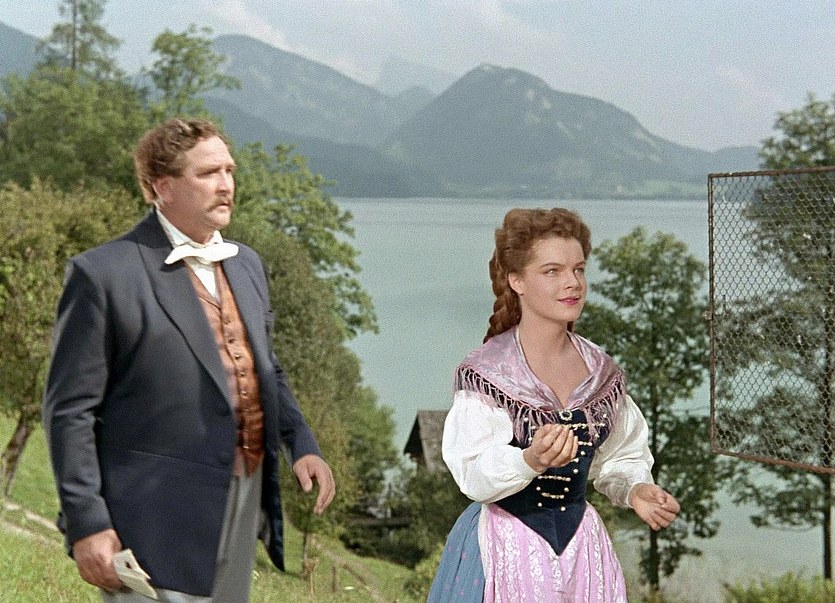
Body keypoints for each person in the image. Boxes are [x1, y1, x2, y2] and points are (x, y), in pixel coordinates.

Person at [42, 117, 335, 602]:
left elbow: (265, 368)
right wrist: (86, 522)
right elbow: (69, 411)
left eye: (229, 171)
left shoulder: (247, 264)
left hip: (244, 495)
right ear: (163, 187)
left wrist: (300, 442)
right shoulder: (103, 275)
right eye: (208, 173)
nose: (226, 185)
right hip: (151, 512)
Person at [428, 208, 680, 602]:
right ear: (517, 281)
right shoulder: (488, 372)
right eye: (552, 271)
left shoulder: (601, 372)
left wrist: (635, 488)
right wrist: (528, 460)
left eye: (578, 269)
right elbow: (472, 472)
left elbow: (620, 457)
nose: (572, 283)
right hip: (506, 545)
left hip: (582, 551)